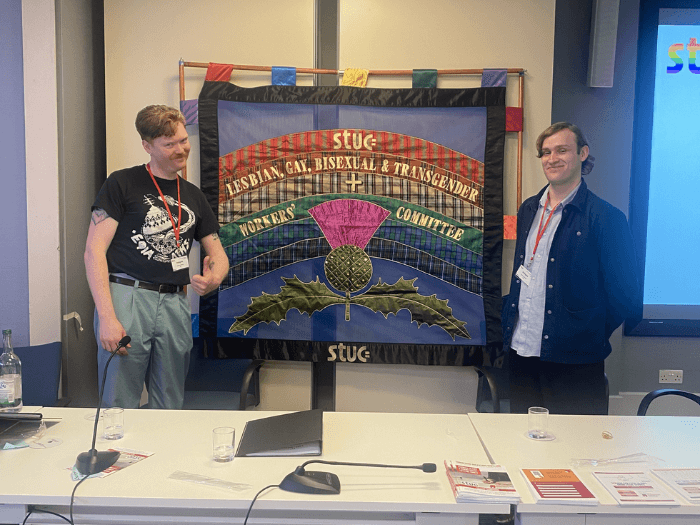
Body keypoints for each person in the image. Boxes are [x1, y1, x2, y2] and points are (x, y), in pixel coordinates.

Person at [84, 105, 229, 409]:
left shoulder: (193, 196)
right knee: (119, 403)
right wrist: (108, 318)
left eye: (183, 140)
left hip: (175, 304)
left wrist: (215, 276)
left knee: (170, 403)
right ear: (147, 146)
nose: (181, 150)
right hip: (128, 297)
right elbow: (93, 251)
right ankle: (116, 456)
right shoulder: (122, 183)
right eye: (170, 144)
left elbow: (217, 253)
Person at [501, 122, 640, 415]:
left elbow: (625, 294)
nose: (552, 158)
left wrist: (585, 331)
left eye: (562, 150)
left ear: (582, 153)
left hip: (575, 361)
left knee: (574, 450)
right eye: (546, 152)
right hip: (522, 352)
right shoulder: (528, 210)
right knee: (522, 444)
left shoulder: (606, 218)